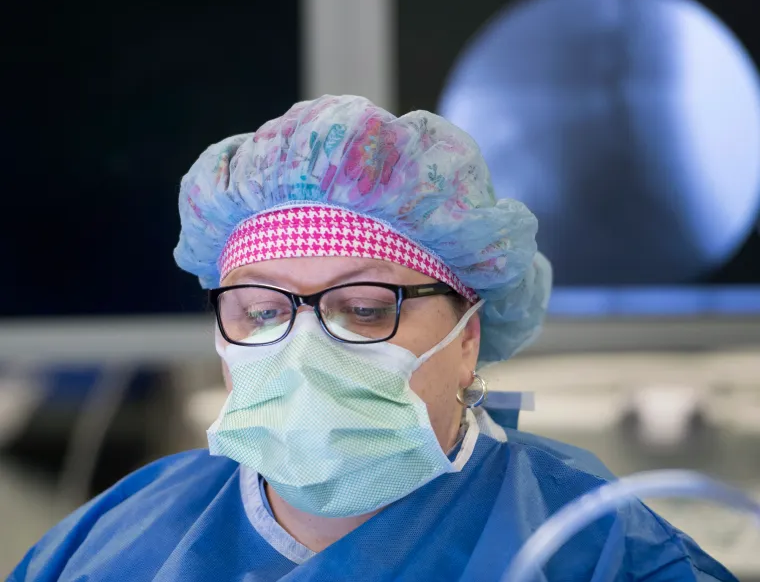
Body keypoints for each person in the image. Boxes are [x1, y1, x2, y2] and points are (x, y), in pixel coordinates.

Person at [11, 95, 736, 581]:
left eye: (362, 309)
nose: (304, 348)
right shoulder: (111, 548)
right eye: (262, 312)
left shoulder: (597, 551)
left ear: (466, 338)